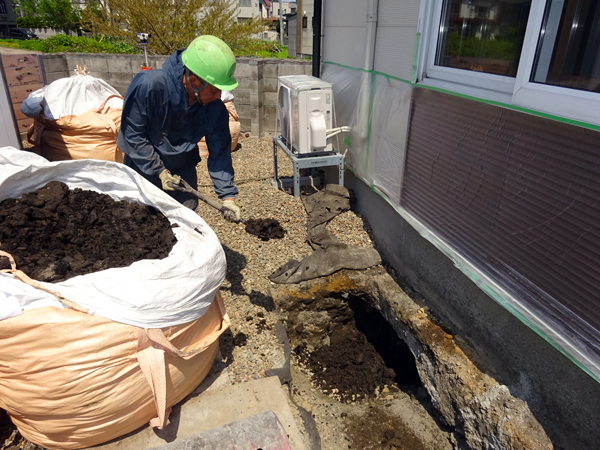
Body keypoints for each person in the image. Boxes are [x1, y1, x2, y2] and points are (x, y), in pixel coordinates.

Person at [117, 35, 241, 222]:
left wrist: (228, 197)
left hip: (183, 172)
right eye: (215, 90)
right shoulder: (149, 87)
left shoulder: (214, 108)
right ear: (195, 80)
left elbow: (220, 153)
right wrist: (159, 170)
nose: (218, 96)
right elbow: (133, 135)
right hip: (144, 169)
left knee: (185, 223)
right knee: (143, 225)